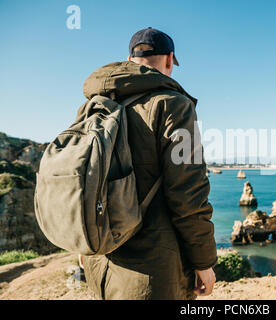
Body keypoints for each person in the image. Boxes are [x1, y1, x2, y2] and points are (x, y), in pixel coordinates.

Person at [81, 27, 217, 300]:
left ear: (129, 61)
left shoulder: (95, 106)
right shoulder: (173, 105)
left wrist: (82, 245)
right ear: (169, 60)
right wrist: (204, 261)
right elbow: (188, 193)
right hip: (154, 270)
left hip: (101, 260)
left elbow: (83, 181)